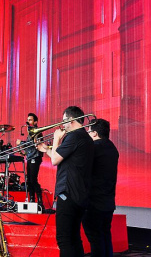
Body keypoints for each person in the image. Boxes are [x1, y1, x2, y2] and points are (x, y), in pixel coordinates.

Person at [37, 106, 94, 257]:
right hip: (79, 194)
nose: (62, 125)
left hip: (68, 193)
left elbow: (55, 160)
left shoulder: (74, 136)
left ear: (71, 120)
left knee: (64, 239)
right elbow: (63, 159)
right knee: (74, 238)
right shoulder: (85, 138)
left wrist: (56, 139)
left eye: (64, 121)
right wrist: (46, 150)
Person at [83, 119, 119, 257]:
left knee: (95, 239)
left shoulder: (94, 147)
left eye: (89, 131)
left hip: (94, 202)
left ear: (95, 133)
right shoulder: (112, 148)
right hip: (108, 201)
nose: (88, 134)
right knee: (104, 236)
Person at [17, 113, 44, 208]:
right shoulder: (30, 132)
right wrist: (23, 152)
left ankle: (40, 200)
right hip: (30, 157)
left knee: (33, 179)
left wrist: (22, 142)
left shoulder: (37, 131)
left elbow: (34, 144)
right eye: (28, 120)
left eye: (30, 120)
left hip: (35, 157)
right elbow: (30, 147)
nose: (28, 121)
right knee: (29, 180)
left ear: (35, 122)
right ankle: (32, 198)